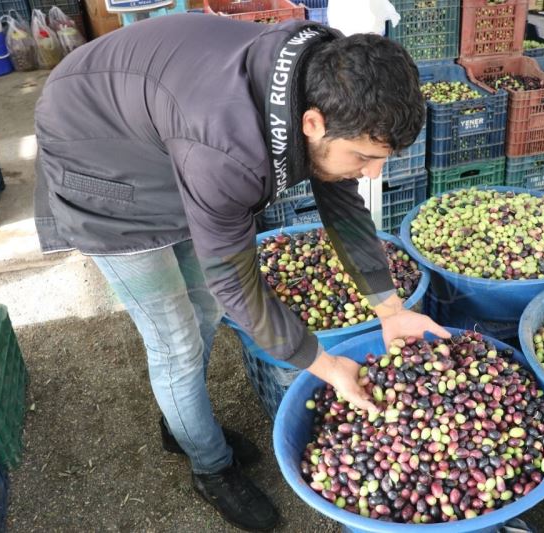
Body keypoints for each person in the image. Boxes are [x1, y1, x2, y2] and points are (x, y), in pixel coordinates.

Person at [33, 13, 450, 531]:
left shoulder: (331, 74)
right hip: (98, 159)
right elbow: (232, 278)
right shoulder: (228, 153)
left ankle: (181, 420)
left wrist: (390, 309)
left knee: (205, 308)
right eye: (364, 157)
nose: (374, 172)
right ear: (312, 124)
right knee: (176, 342)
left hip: (168, 129)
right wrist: (322, 363)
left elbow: (340, 200)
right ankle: (210, 466)